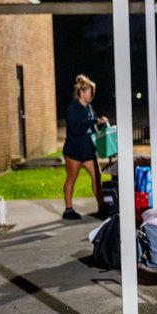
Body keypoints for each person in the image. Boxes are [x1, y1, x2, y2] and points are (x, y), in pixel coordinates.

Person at [61, 74, 108, 221]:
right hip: (74, 152)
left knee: (97, 177)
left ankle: (102, 207)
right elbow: (76, 128)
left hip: (88, 151)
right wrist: (93, 120)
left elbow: (91, 127)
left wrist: (100, 125)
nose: (92, 94)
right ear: (81, 92)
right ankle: (68, 209)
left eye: (93, 91)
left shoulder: (89, 107)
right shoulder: (73, 108)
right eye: (89, 91)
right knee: (71, 179)